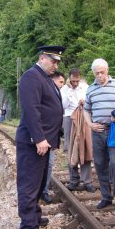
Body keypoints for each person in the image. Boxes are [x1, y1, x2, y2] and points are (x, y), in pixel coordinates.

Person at [15, 45, 65, 229]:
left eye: (58, 62)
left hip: (44, 143)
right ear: (42, 57)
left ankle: (34, 215)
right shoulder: (31, 77)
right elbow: (31, 110)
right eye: (53, 61)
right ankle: (28, 227)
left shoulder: (44, 78)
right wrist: (39, 138)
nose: (56, 64)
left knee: (39, 182)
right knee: (29, 184)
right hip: (34, 143)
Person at [84, 58, 115, 209]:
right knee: (101, 164)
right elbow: (86, 110)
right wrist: (90, 124)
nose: (100, 75)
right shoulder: (90, 89)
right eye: (97, 73)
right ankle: (106, 196)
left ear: (107, 71)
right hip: (98, 131)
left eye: (102, 72)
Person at [61, 68, 94, 192]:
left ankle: (87, 181)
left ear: (80, 78)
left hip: (83, 117)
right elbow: (63, 106)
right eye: (73, 81)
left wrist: (85, 102)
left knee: (85, 147)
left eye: (77, 81)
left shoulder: (86, 87)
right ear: (69, 78)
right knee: (71, 148)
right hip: (69, 117)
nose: (75, 83)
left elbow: (91, 103)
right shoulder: (64, 89)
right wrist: (70, 91)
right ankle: (74, 179)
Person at [41, 71, 66, 204]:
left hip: (51, 136)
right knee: (44, 165)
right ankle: (41, 191)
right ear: (53, 80)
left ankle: (43, 191)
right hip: (44, 136)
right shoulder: (48, 91)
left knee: (49, 164)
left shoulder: (57, 91)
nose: (62, 85)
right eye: (61, 82)